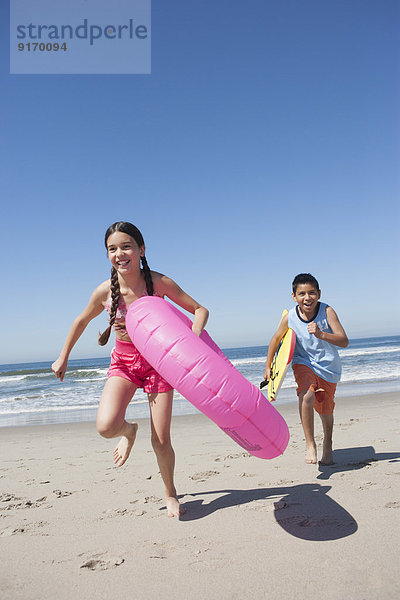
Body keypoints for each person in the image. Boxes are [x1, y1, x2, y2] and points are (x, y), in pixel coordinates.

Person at [52, 221, 209, 517]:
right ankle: (129, 431)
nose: (120, 253)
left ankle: (170, 493)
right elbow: (80, 322)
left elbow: (200, 310)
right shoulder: (104, 291)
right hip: (123, 364)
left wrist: (194, 339)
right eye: (112, 249)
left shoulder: (159, 282)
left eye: (126, 246)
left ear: (141, 250)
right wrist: (64, 357)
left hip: (158, 366)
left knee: (161, 440)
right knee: (106, 426)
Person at [263, 273, 348, 465]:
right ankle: (310, 443)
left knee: (326, 411)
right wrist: (268, 365)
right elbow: (276, 339)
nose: (307, 297)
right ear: (294, 296)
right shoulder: (290, 316)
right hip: (303, 362)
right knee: (306, 395)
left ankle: (328, 441)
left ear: (319, 293)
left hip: (328, 367)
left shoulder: (327, 312)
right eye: (301, 293)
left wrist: (321, 334)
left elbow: (344, 340)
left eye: (311, 293)